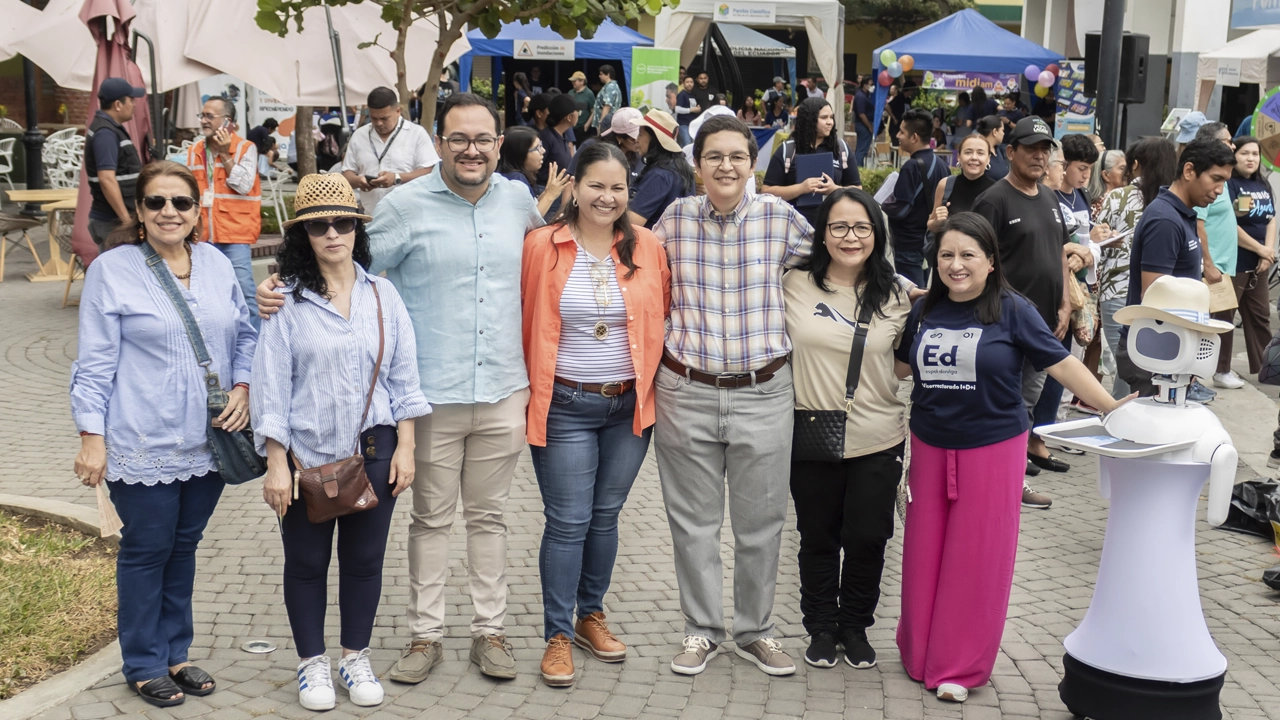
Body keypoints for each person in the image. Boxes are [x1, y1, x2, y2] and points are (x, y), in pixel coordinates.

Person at [257, 93, 544, 683]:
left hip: (503, 388)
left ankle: (490, 630)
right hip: (429, 396)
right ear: (437, 143)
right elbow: (344, 261)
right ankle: (425, 636)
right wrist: (277, 286)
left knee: (490, 518)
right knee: (432, 519)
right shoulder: (405, 205)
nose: (471, 149)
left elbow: (551, 262)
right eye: (459, 139)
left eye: (483, 139)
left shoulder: (518, 201)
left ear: (497, 145)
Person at [894, 212, 1128, 704]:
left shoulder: (1014, 310)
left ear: (991, 260)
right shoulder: (924, 311)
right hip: (930, 444)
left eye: (967, 255)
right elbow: (896, 366)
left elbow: (1060, 362)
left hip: (993, 448)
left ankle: (958, 664)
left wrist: (1111, 410)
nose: (956, 266)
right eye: (946, 256)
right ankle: (919, 653)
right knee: (923, 550)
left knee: (976, 555)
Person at [71, 161, 256, 708]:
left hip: (211, 440)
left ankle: (176, 652)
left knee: (184, 547)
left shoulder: (218, 263)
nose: (169, 212)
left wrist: (243, 385)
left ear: (198, 210)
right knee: (147, 549)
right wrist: (91, 436)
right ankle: (143, 661)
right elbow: (94, 360)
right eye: (156, 203)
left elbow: (246, 333)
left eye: (180, 202)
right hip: (142, 438)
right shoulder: (114, 269)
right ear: (140, 211)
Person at [253, 175, 430, 712]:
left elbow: (405, 377)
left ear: (357, 228)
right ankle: (312, 665)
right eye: (319, 224)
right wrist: (276, 464)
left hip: (374, 450)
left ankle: (355, 657)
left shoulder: (383, 294)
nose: (333, 233)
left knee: (365, 561)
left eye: (343, 222)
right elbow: (271, 388)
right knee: (305, 564)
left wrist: (407, 446)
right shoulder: (285, 301)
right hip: (307, 455)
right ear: (303, 233)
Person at [653, 115, 811, 678]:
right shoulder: (672, 221)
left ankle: (755, 631)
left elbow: (846, 261)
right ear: (698, 166)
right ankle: (701, 630)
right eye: (714, 156)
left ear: (752, 164)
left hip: (763, 392)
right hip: (685, 391)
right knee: (692, 523)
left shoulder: (780, 219)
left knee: (761, 524)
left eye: (736, 157)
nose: (725, 166)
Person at [521, 141, 670, 688]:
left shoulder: (649, 247)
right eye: (596, 186)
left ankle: (591, 615)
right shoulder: (541, 245)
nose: (607, 197)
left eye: (618, 187)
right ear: (574, 187)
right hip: (564, 404)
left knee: (605, 516)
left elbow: (667, 312)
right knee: (567, 521)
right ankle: (557, 634)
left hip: (628, 405)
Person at [784, 187, 914, 670]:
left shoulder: (899, 294)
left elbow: (903, 368)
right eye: (838, 226)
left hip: (878, 435)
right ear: (822, 234)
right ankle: (819, 626)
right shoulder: (793, 283)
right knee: (818, 536)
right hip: (811, 431)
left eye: (861, 227)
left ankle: (855, 625)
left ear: (877, 234)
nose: (850, 237)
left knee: (868, 537)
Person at [972, 116, 1092, 508]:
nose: (1040, 156)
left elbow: (1058, 253)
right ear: (1010, 152)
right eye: (1031, 148)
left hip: (1045, 323)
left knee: (1025, 402)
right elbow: (976, 263)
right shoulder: (993, 200)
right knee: (1004, 404)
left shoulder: (1049, 197)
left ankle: (1011, 476)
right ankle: (999, 479)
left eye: (1046, 149)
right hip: (1003, 325)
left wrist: (1063, 303)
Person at [1116, 137, 1237, 397]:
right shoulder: (1165, 220)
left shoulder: (1183, 214)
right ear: (1189, 171)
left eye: (1224, 182)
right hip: (1155, 351)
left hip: (1172, 352)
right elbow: (1153, 299)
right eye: (1215, 179)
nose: (1219, 190)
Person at [1044, 134, 1111, 420]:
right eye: (1080, 168)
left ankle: (1057, 422)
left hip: (1081, 288)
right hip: (1057, 288)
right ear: (1062, 164)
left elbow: (1085, 236)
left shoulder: (1081, 195)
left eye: (1089, 169)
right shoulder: (1049, 195)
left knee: (1071, 355)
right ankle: (1045, 426)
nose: (1086, 175)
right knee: (1054, 360)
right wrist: (1088, 242)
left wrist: (1100, 240)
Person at [187, 97, 262, 329]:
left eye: (210, 116)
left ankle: (255, 348)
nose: (203, 121)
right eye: (202, 115)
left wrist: (225, 154)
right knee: (204, 292)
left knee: (244, 292)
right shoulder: (194, 150)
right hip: (202, 235)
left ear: (227, 122)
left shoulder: (245, 148)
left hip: (235, 234)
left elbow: (243, 185)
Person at [1217, 136, 1276, 387]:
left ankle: (1270, 368)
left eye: (1255, 154)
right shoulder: (1230, 183)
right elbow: (1231, 224)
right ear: (1235, 156)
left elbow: (1271, 218)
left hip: (1260, 262)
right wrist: (1261, 249)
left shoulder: (1262, 184)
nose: (1251, 158)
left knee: (1260, 316)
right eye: (1245, 153)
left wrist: (1268, 251)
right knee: (1224, 317)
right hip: (1235, 261)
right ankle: (1220, 370)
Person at [1192, 123, 1242, 392]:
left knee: (1220, 325)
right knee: (1202, 328)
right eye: (1228, 140)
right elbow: (1198, 225)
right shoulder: (1204, 181)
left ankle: (1216, 372)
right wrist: (1208, 264)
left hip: (1225, 265)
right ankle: (1195, 380)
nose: (1232, 145)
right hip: (1212, 267)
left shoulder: (1222, 179)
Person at [762, 97, 862, 228]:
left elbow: (858, 189)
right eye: (824, 117)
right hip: (793, 226)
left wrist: (835, 190)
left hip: (832, 225)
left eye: (831, 117)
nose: (830, 122)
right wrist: (801, 188)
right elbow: (766, 191)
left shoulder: (840, 148)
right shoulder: (788, 150)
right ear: (809, 119)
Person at [341, 87, 439, 217]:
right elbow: (347, 173)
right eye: (374, 118)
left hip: (409, 216)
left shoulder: (416, 134)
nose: (379, 123)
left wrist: (397, 178)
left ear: (398, 111)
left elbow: (431, 172)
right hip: (371, 217)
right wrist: (359, 181)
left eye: (384, 118)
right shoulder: (359, 135)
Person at [882, 108, 950, 286]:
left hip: (908, 244)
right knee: (923, 290)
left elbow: (900, 209)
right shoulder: (942, 165)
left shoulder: (911, 166)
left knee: (910, 296)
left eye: (902, 132)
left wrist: (883, 203)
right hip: (929, 242)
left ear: (914, 137)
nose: (898, 135)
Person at [85, 77, 146, 247]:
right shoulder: (105, 133)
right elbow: (106, 179)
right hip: (112, 222)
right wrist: (126, 221)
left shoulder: (109, 129)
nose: (134, 105)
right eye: (131, 100)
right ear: (118, 105)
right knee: (117, 271)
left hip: (114, 220)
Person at [626, 109, 695, 229]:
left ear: (655, 139)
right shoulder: (680, 166)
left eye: (641, 134)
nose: (636, 139)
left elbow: (633, 222)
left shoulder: (660, 175)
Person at [498, 125, 570, 217]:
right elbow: (529, 221)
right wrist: (550, 194)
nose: (543, 150)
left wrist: (546, 192)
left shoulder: (512, 175)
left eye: (541, 145)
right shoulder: (516, 181)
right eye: (537, 148)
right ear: (520, 153)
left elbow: (531, 208)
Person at [537, 95, 578, 188]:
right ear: (569, 117)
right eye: (577, 112)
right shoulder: (546, 137)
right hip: (544, 190)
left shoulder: (563, 136)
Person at [1088, 148, 1127, 214]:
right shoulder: (1108, 203)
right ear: (1105, 175)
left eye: (1127, 168)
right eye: (1122, 168)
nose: (1127, 173)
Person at [586, 65, 622, 136]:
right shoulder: (610, 86)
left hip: (606, 124)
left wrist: (601, 123)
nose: (599, 76)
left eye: (601, 74)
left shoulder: (610, 87)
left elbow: (607, 106)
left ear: (608, 74)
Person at [976, 115, 1008, 180]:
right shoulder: (977, 153)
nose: (1003, 133)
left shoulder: (997, 149)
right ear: (995, 132)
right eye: (1002, 130)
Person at [853, 75, 875, 168]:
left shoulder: (866, 95)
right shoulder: (861, 96)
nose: (872, 86)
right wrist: (869, 126)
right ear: (865, 85)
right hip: (863, 126)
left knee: (862, 149)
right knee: (861, 150)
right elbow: (862, 114)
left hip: (864, 125)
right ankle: (858, 169)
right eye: (871, 84)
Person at [568, 71, 596, 138]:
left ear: (582, 81)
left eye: (575, 81)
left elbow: (594, 111)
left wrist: (586, 126)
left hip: (581, 127)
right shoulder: (570, 92)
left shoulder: (589, 94)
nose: (573, 83)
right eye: (572, 81)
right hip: (570, 127)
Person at [675, 76, 702, 142]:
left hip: (692, 125)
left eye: (691, 82)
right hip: (684, 124)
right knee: (686, 143)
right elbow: (677, 109)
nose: (689, 84)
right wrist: (692, 110)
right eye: (687, 82)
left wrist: (697, 108)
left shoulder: (692, 95)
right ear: (683, 84)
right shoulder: (682, 94)